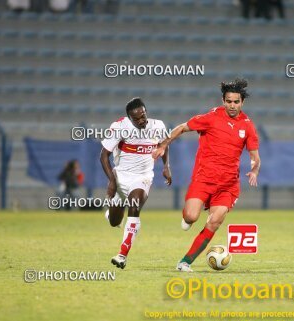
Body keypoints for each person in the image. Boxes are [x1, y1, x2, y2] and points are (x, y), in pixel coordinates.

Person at [153, 79, 261, 272]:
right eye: (229, 101)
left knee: (215, 221)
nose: (232, 105)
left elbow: (255, 156)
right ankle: (187, 218)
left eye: (236, 102)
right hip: (204, 178)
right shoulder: (210, 118)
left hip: (228, 184)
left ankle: (185, 262)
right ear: (223, 100)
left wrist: (254, 170)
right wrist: (164, 144)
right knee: (191, 216)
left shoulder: (248, 125)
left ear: (242, 102)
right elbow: (182, 127)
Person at [100, 98, 171, 269]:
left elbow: (164, 145)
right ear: (129, 118)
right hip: (120, 176)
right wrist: (112, 181)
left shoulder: (158, 126)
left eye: (143, 116)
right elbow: (103, 156)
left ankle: (122, 255)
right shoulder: (119, 127)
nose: (141, 121)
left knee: (134, 206)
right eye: (136, 119)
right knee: (114, 221)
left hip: (143, 177)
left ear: (146, 112)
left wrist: (166, 166)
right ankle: (112, 214)